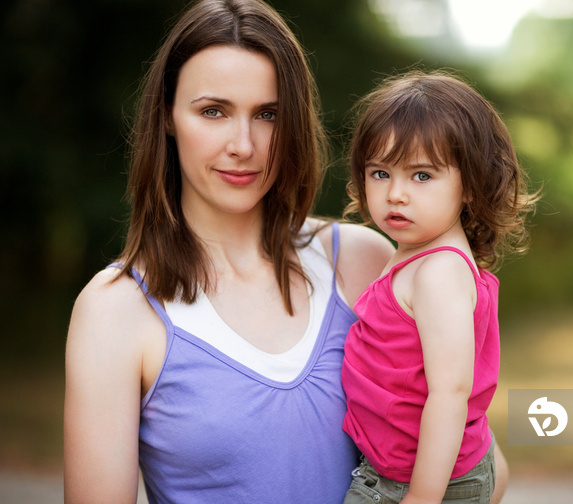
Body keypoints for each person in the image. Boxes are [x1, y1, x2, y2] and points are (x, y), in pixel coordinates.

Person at [63, 1, 395, 502]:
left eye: (268, 115)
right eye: (213, 111)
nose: (244, 144)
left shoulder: (362, 262)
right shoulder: (115, 311)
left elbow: (483, 469)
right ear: (168, 117)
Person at [341, 70, 536, 504]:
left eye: (422, 176)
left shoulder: (438, 274)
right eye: (379, 173)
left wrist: (423, 497)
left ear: (470, 185)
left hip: (417, 484)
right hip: (408, 471)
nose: (395, 194)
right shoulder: (417, 253)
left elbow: (451, 392)